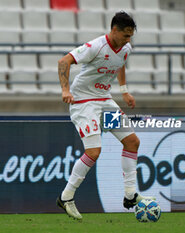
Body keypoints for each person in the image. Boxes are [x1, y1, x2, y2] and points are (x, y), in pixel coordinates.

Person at [56, 11, 154, 220]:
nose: (129, 40)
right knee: (93, 152)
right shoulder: (96, 46)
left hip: (104, 101)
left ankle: (130, 195)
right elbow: (64, 62)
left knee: (132, 142)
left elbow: (119, 63)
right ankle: (66, 196)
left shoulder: (125, 48)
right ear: (114, 30)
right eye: (126, 35)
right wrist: (66, 90)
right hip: (84, 103)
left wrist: (124, 90)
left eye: (131, 36)